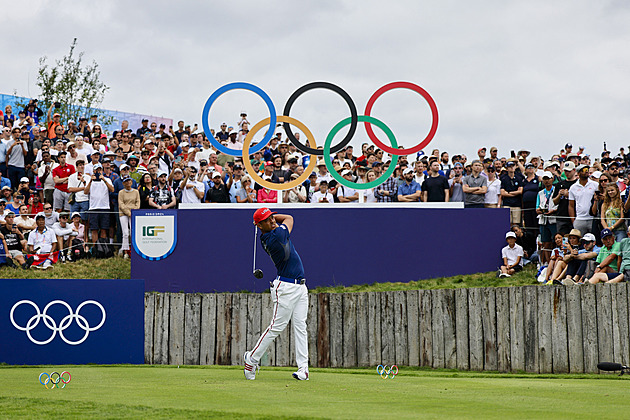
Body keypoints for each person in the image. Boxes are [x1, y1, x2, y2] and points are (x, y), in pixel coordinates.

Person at [244, 208, 309, 381]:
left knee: (300, 327)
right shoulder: (275, 236)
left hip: (300, 286)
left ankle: (304, 369)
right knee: (276, 327)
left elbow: (280, 219)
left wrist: (268, 216)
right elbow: (289, 217)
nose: (272, 220)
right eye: (267, 220)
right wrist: (272, 217)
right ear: (259, 226)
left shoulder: (271, 230)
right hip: (286, 288)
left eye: (272, 217)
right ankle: (252, 358)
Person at [84, 163, 114, 247]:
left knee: (104, 229)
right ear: (93, 171)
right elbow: (85, 192)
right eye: (96, 170)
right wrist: (90, 180)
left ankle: (103, 247)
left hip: (105, 207)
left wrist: (103, 179)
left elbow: (112, 189)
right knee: (94, 229)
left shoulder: (107, 179)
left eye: (99, 170)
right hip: (93, 208)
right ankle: (95, 248)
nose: (98, 172)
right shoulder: (89, 180)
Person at [536, 171, 559, 266]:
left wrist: (553, 211)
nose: (546, 181)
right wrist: (540, 210)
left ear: (552, 179)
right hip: (543, 220)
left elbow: (559, 205)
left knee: (556, 242)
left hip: (554, 219)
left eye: (548, 179)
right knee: (546, 243)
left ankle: (556, 262)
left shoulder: (556, 190)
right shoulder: (540, 193)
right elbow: (537, 207)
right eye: (544, 179)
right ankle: (548, 264)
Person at [569, 164, 598, 235]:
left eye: (587, 170)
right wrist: (574, 221)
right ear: (578, 173)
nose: (586, 172)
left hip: (592, 218)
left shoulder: (595, 185)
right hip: (579, 219)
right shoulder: (573, 187)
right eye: (584, 170)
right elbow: (571, 205)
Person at [119, 177, 140, 258]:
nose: (128, 183)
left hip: (133, 213)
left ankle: (134, 250)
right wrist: (128, 213)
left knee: (133, 232)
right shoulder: (121, 192)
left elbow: (137, 203)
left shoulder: (136, 192)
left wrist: (133, 212)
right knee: (125, 233)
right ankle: (125, 251)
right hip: (123, 214)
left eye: (129, 181)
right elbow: (121, 204)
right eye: (126, 181)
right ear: (123, 183)